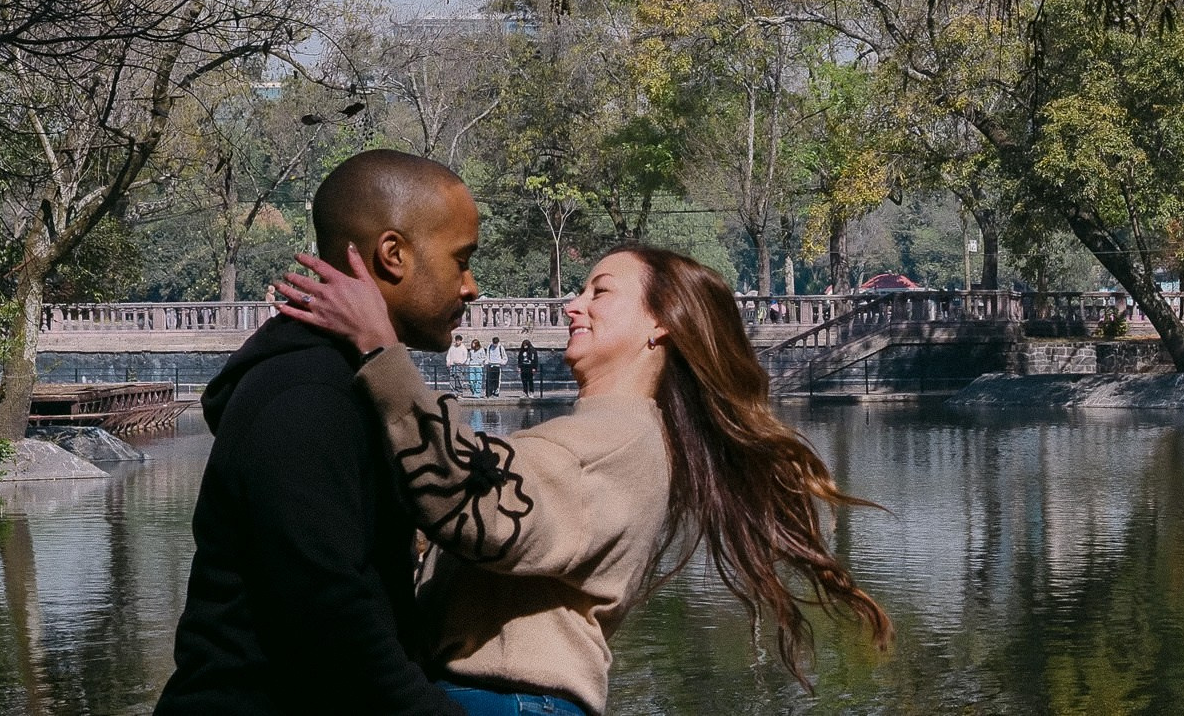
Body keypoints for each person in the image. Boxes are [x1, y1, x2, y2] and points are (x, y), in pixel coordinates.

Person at [280, 243, 892, 716]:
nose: (574, 305)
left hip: (506, 700)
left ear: (661, 326)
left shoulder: (619, 440)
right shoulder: (612, 435)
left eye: (600, 292)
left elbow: (483, 516)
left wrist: (381, 351)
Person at [153, 150, 480, 716]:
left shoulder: (345, 382)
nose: (471, 287)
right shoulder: (306, 395)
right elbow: (328, 615)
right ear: (393, 254)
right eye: (462, 260)